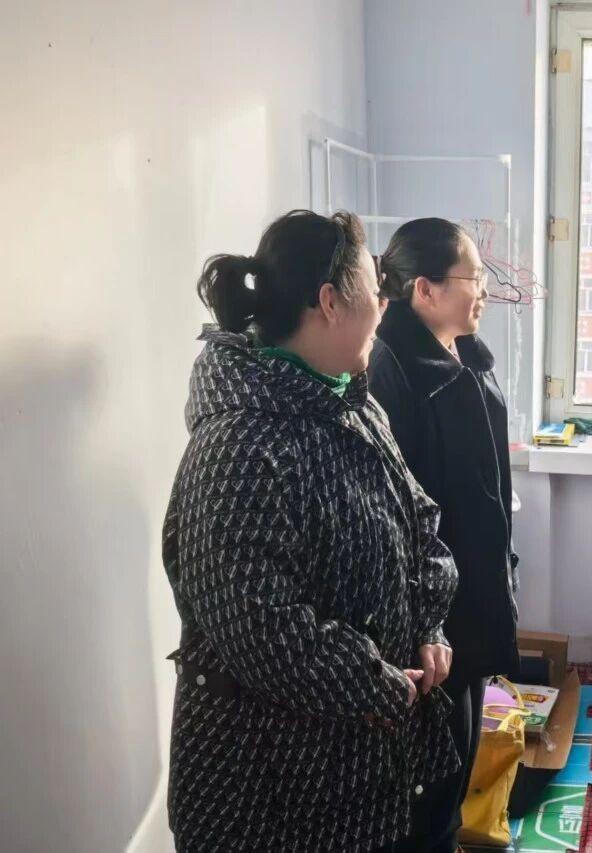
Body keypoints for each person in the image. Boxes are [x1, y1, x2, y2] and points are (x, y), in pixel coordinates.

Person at [163, 210, 459, 852]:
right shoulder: (239, 446)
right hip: (273, 797)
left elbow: (420, 525)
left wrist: (429, 626)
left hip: (366, 766)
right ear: (330, 302)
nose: (383, 307)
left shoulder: (353, 406)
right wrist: (377, 679)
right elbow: (260, 629)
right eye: (373, 290)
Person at [368, 218, 519, 853]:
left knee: (461, 756)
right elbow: (397, 514)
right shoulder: (392, 372)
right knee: (430, 778)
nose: (483, 290)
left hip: (473, 591)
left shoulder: (465, 356)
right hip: (432, 616)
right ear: (424, 290)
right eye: (473, 277)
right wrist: (423, 620)